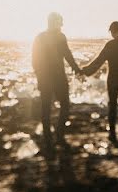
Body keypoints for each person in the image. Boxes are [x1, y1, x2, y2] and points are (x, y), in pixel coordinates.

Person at [82, 21, 118, 143]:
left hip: (113, 79)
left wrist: (85, 70)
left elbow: (98, 61)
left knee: (112, 106)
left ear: (112, 31)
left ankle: (112, 133)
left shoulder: (110, 45)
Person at [32, 12, 83, 146]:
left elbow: (35, 60)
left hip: (46, 78)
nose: (62, 24)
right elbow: (68, 54)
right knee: (64, 105)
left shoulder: (40, 37)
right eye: (60, 22)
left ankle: (49, 137)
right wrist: (77, 69)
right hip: (58, 77)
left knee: (46, 108)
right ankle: (58, 134)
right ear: (54, 22)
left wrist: (39, 75)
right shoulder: (59, 36)